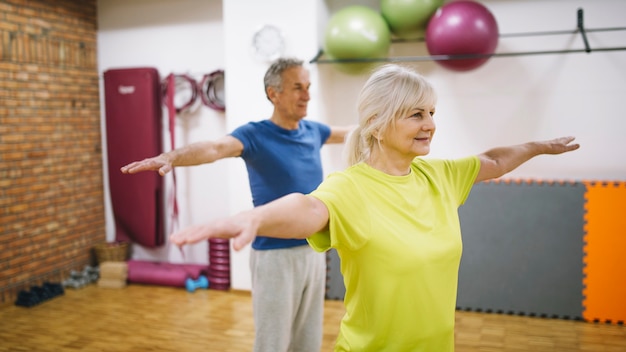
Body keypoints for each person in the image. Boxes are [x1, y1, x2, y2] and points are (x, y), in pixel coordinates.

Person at [168, 64, 580, 351]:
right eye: (416, 114)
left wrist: (538, 147)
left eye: (432, 112)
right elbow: (308, 210)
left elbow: (493, 160)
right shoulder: (349, 188)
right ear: (379, 124)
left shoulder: (440, 176)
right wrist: (253, 218)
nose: (430, 124)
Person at [121, 57, 354, 352]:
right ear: (274, 93)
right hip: (274, 258)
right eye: (298, 87)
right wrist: (171, 157)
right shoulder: (254, 135)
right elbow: (214, 148)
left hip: (314, 250)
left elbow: (350, 132)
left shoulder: (313, 131)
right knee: (273, 343)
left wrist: (393, 119)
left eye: (308, 87)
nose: (307, 95)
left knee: (308, 342)